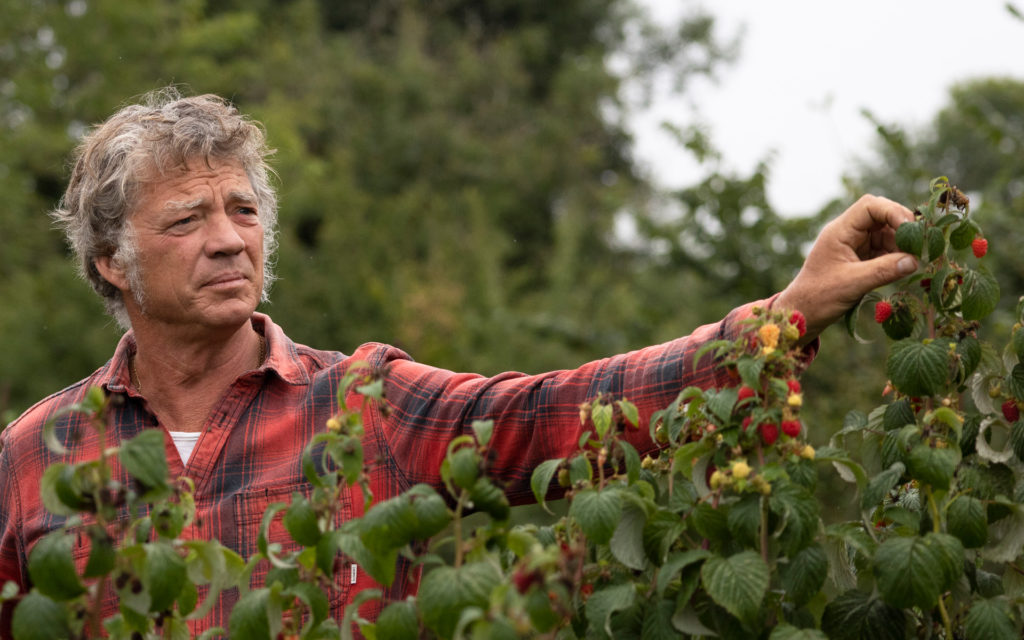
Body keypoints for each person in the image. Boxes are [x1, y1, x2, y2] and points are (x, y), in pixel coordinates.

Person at [0, 90, 918, 636]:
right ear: (113, 261)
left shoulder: (361, 403)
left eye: (242, 211)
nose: (228, 240)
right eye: (186, 220)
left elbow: (555, 413)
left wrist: (786, 317)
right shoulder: (37, 453)